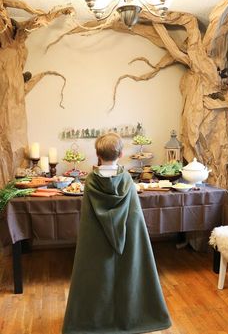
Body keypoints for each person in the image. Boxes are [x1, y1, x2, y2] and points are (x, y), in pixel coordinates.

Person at [62, 133, 171, 334]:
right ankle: (133, 317)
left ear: (97, 154)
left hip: (95, 241)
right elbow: (134, 216)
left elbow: (88, 219)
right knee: (129, 273)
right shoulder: (127, 180)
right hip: (127, 239)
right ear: (121, 154)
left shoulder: (91, 182)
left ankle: (92, 320)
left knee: (95, 276)